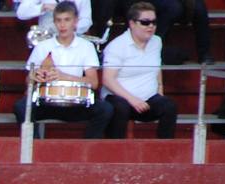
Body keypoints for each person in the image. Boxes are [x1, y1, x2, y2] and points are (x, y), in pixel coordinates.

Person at [14, 1, 112, 138]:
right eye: (58, 20)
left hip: (76, 103)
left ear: (75, 22)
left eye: (67, 20)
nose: (62, 25)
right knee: (21, 107)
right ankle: (34, 148)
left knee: (105, 109)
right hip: (47, 102)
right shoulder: (42, 46)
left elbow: (93, 82)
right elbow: (28, 80)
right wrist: (34, 76)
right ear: (54, 22)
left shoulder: (86, 46)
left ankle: (88, 148)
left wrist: (63, 76)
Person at [100, 2, 176, 138]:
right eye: (145, 22)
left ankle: (163, 151)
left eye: (154, 22)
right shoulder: (117, 46)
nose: (151, 26)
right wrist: (132, 100)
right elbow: (108, 79)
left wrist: (160, 90)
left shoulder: (157, 41)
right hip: (120, 98)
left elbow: (156, 68)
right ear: (132, 23)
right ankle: (115, 153)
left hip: (148, 99)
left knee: (169, 107)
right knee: (120, 108)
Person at [16, 0, 89, 46]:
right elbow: (21, 13)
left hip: (72, 42)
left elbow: (86, 20)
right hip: (46, 42)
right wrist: (43, 7)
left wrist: (72, 28)